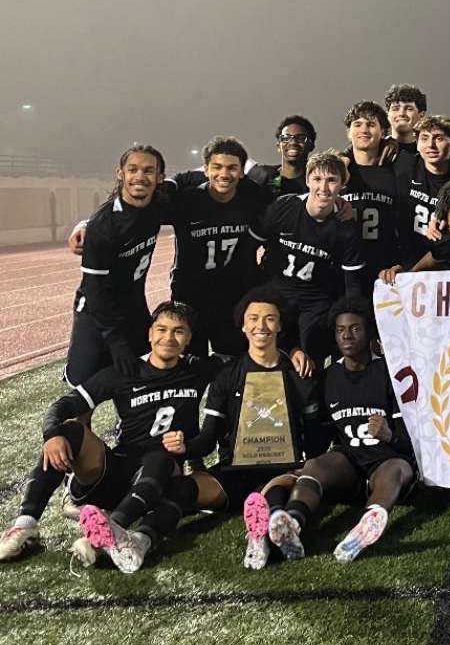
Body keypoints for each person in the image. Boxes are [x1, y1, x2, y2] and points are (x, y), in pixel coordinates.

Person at [0, 302, 213, 567]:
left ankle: (108, 531)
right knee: (69, 431)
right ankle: (25, 524)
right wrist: (52, 435)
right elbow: (63, 406)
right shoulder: (125, 371)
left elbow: (243, 368)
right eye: (161, 329)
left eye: (178, 331)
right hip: (115, 471)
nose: (168, 338)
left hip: (159, 477)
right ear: (149, 334)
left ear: (189, 339)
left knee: (161, 455)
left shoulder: (198, 370)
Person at [130, 288, 324, 571]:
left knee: (274, 492)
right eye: (254, 318)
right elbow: (208, 438)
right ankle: (140, 539)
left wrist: (305, 462)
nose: (261, 326)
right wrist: (188, 447)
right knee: (182, 489)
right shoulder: (227, 374)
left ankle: (262, 536)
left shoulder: (297, 373)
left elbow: (316, 438)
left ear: (280, 326)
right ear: (243, 325)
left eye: (270, 319)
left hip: (282, 470)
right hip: (234, 470)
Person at [254, 298, 416, 564]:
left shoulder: (389, 373)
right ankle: (292, 523)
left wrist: (390, 436)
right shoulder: (328, 377)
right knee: (316, 465)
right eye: (341, 330)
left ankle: (367, 522)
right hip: (350, 462)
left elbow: (414, 443)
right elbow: (323, 437)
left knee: (395, 469)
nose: (347, 335)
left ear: (369, 333)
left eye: (355, 329)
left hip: (387, 459)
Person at [65, 144, 170, 389]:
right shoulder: (103, 226)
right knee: (84, 385)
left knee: (143, 375)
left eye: (148, 170)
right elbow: (95, 289)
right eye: (132, 169)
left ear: (159, 177)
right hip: (96, 310)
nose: (140, 177)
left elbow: (190, 180)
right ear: (120, 174)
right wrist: (114, 339)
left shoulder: (160, 203)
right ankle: (81, 428)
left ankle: (130, 428)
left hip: (133, 303)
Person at [251, 150, 366, 360]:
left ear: (342, 185)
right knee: (268, 351)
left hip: (315, 301)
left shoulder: (346, 227)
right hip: (277, 293)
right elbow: (250, 245)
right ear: (307, 180)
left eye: (331, 180)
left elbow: (352, 283)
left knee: (311, 356)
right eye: (317, 179)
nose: (323, 187)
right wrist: (256, 289)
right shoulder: (284, 206)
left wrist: (351, 319)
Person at [168, 136, 271, 357]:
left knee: (234, 360)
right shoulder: (186, 200)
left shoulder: (252, 196)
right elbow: (139, 210)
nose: (224, 174)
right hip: (191, 293)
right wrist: (88, 222)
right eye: (217, 167)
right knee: (190, 363)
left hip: (235, 293)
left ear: (243, 171)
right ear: (205, 169)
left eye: (232, 168)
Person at [339, 100, 404, 290]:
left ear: (383, 132)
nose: (364, 130)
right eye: (357, 124)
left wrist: (402, 262)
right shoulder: (338, 171)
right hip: (341, 266)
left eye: (371, 124)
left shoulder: (396, 171)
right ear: (349, 133)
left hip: (384, 268)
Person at [394, 114, 450, 266]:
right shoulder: (405, 165)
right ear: (416, 144)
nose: (431, 145)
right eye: (424, 138)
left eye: (439, 138)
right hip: (409, 262)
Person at [248, 116, 316, 197]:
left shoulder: (315, 183)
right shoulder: (261, 176)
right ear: (278, 146)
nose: (293, 142)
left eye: (301, 138)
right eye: (286, 138)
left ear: (311, 146)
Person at [384, 84, 428, 151]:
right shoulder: (375, 151)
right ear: (387, 115)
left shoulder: (429, 152)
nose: (401, 113)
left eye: (409, 109)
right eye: (395, 108)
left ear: (421, 115)